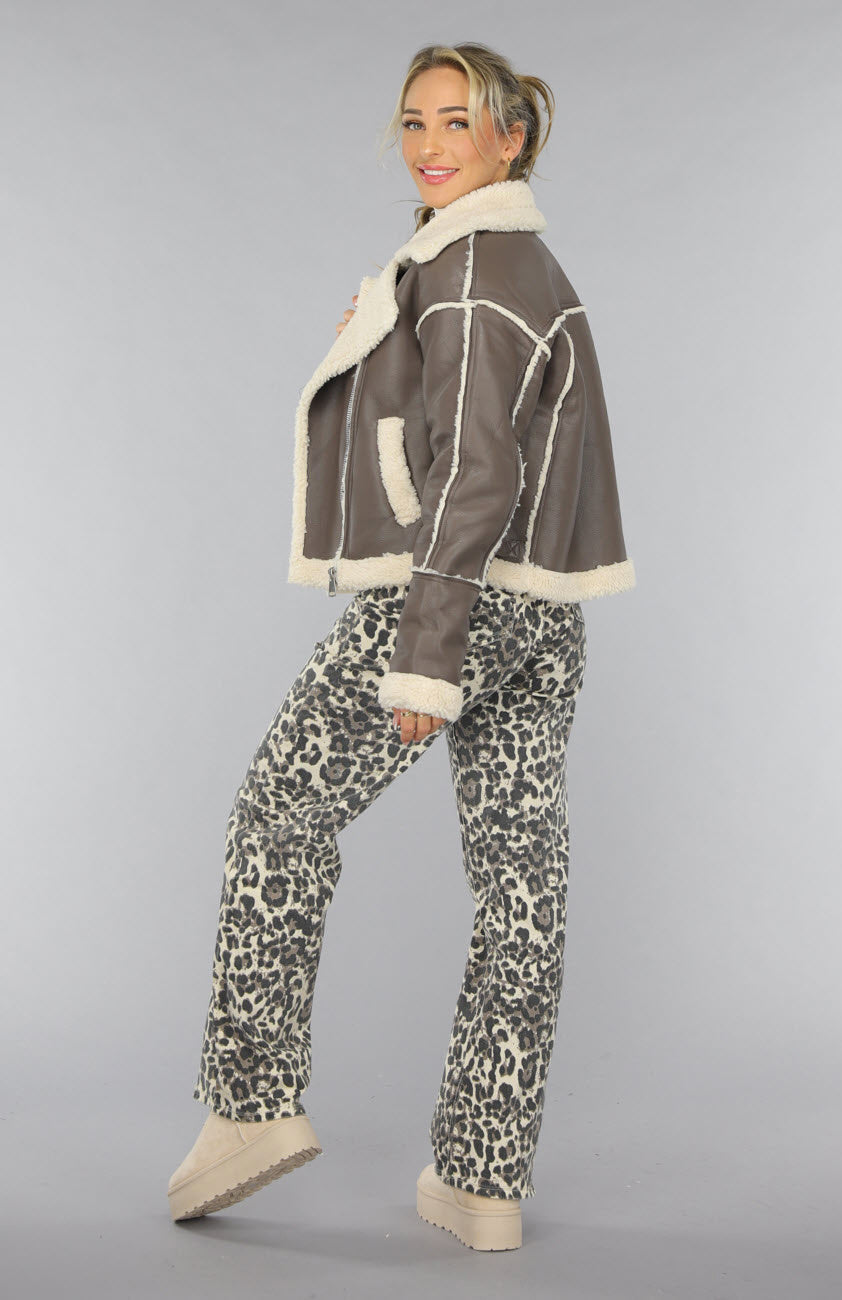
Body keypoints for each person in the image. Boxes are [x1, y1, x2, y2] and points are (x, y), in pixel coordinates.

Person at [167, 41, 636, 1252]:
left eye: (457, 122)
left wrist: (427, 652)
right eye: (415, 121)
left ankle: (251, 1105)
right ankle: (484, 1177)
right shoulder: (503, 263)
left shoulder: (472, 272)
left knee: (278, 814)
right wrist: (385, 336)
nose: (429, 144)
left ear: (510, 137)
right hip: (542, 609)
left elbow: (476, 474)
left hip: (455, 600)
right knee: (520, 885)